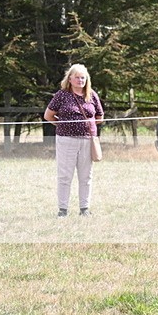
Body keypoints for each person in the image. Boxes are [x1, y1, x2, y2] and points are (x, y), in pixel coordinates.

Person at [44, 64, 104, 217]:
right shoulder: (62, 95)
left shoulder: (92, 95)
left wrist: (86, 126)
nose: (80, 80)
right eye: (77, 77)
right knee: (65, 175)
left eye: (83, 77)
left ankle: (84, 209)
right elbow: (48, 116)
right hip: (66, 140)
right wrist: (64, 125)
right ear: (70, 79)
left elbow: (99, 116)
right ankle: (62, 210)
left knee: (86, 175)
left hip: (87, 140)